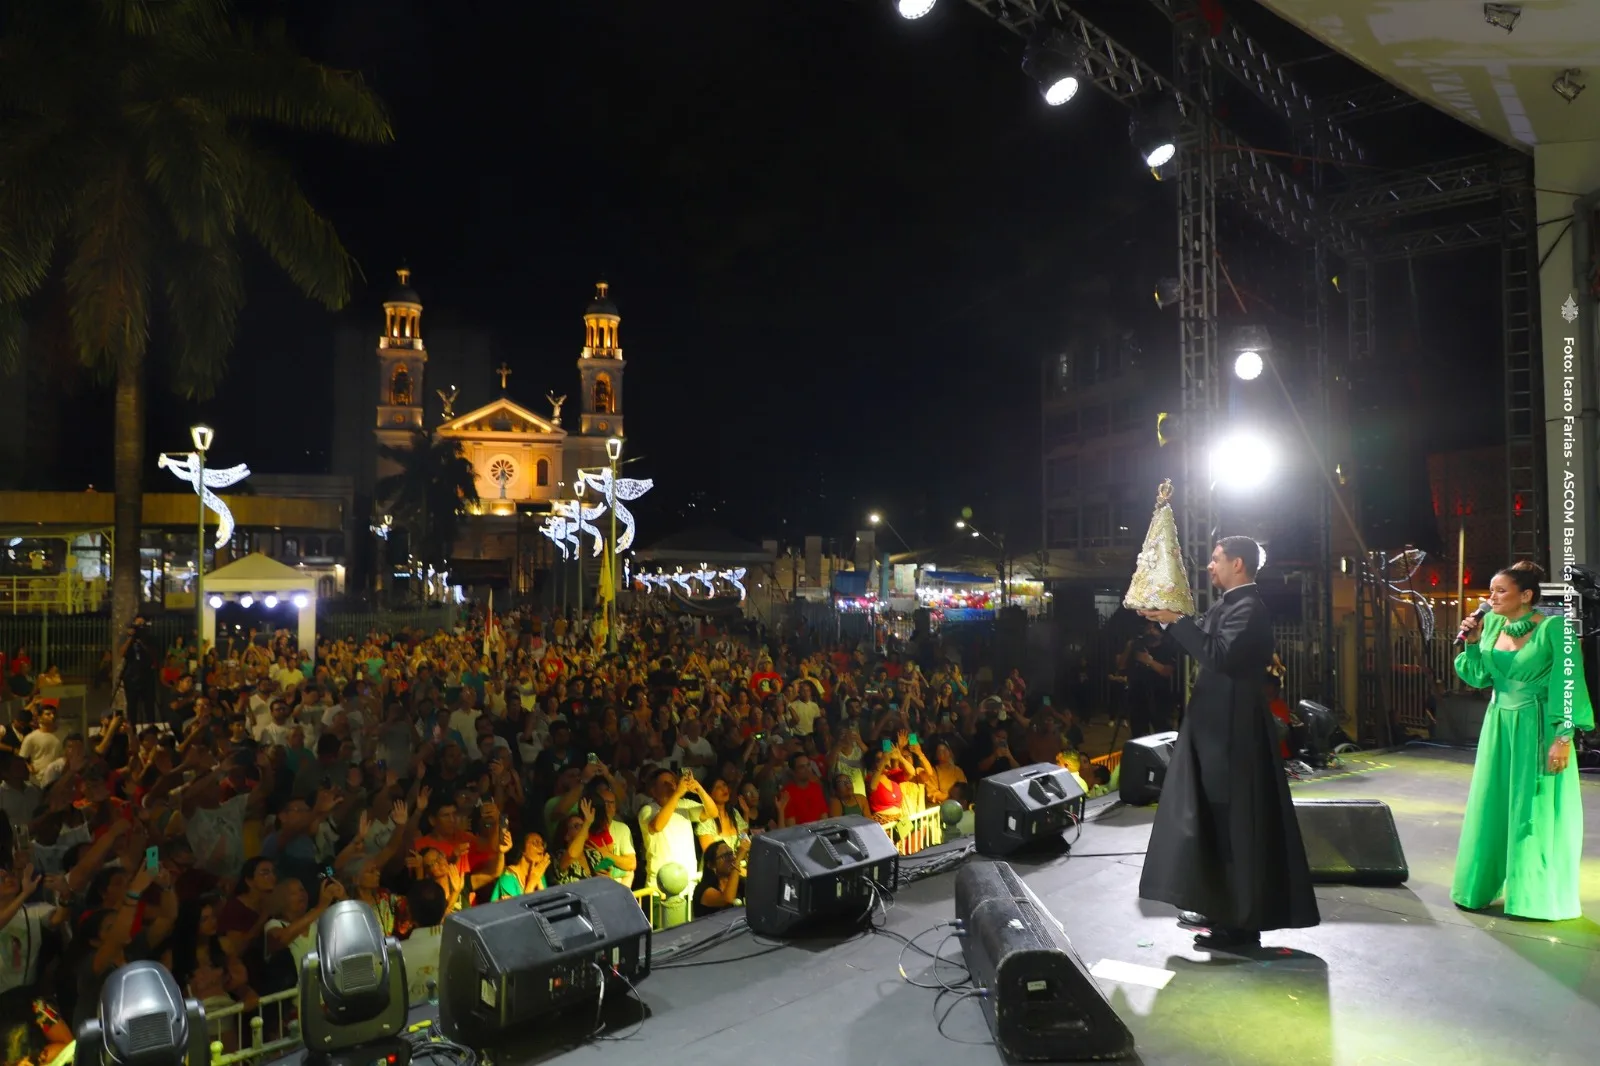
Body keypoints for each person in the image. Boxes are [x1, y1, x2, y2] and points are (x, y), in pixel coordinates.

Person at [1137, 536, 1319, 951]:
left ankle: (1240, 923)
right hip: (1217, 731)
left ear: (1238, 563)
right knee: (1217, 823)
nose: (1209, 566)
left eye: (1216, 560)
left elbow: (1216, 654)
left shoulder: (1249, 608)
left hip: (1233, 736)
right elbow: (1205, 642)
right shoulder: (1230, 604)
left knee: (1236, 827)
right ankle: (1222, 913)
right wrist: (1168, 618)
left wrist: (1175, 621)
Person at [1452, 560, 1592, 920]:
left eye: (1501, 591)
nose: (1491, 597)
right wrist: (1469, 643)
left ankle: (1533, 896)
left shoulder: (1554, 629)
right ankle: (1479, 886)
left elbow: (1568, 682)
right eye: (1491, 590)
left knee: (1533, 806)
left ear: (1526, 595)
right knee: (1493, 801)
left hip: (1538, 725)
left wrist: (1563, 736)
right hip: (1498, 723)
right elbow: (1480, 678)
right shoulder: (1493, 624)